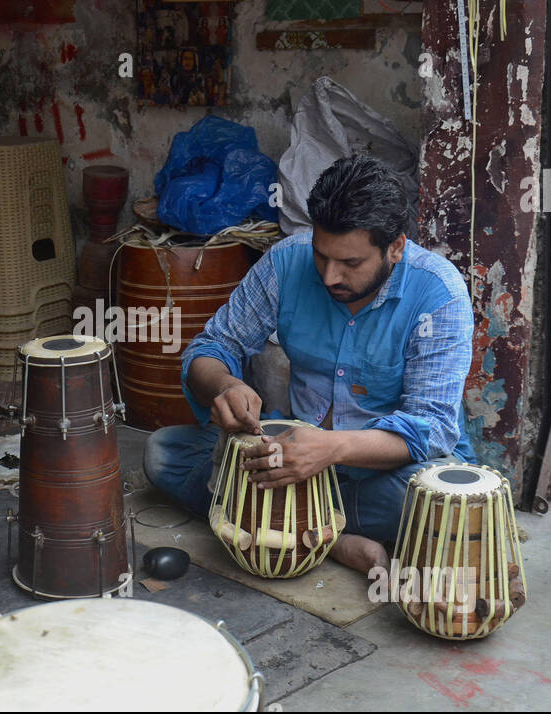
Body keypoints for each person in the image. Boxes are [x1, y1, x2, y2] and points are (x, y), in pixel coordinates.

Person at [142, 154, 477, 574]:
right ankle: (332, 538)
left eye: (350, 263)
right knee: (162, 453)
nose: (330, 276)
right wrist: (225, 385)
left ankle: (286, 520)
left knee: (437, 502)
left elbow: (432, 429)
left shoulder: (438, 295)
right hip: (292, 455)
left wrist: (332, 449)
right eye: (322, 256)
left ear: (395, 247)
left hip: (383, 471)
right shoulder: (287, 262)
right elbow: (211, 347)